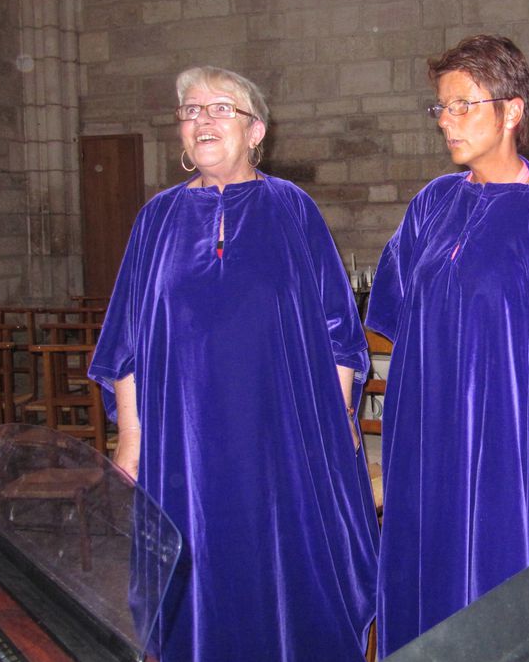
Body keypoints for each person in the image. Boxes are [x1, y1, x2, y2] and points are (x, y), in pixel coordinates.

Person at [89, 66, 378, 661]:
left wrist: (339, 417)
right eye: (191, 111)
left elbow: (334, 327)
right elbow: (126, 340)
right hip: (184, 446)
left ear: (256, 132)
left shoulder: (292, 209)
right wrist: (131, 442)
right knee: (195, 573)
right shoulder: (155, 220)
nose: (203, 119)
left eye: (221, 108)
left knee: (285, 566)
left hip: (282, 439)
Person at [366, 35, 529, 657]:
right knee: (431, 585)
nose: (447, 122)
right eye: (441, 109)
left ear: (511, 112)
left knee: (513, 591)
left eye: (464, 106)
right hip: (427, 442)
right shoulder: (432, 204)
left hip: (515, 440)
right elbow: (390, 323)